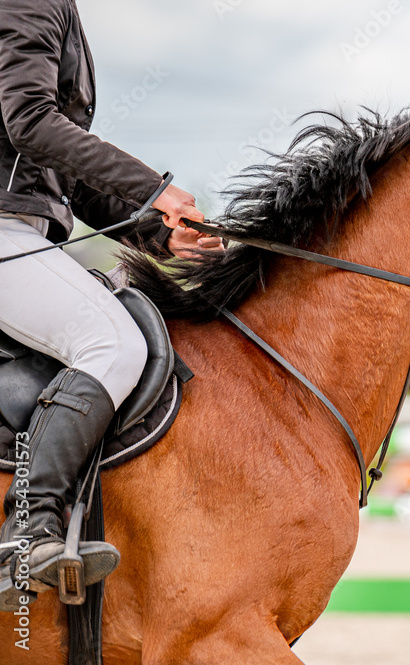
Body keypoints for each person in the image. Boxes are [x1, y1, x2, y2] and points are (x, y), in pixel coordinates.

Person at [0, 0, 218, 609]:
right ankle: (28, 531)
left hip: (19, 225)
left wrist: (157, 230)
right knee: (113, 343)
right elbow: (31, 123)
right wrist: (151, 187)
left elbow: (54, 176)